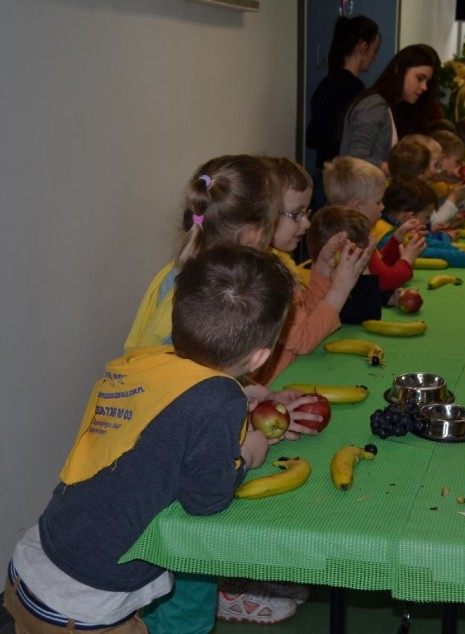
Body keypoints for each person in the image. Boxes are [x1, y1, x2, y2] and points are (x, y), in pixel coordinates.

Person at [4, 246, 293, 633]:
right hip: (87, 604)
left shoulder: (148, 361)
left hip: (32, 565)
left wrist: (240, 394)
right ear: (259, 358)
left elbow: (172, 421)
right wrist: (246, 454)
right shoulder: (218, 399)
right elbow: (205, 500)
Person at [123, 155, 322, 632]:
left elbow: (200, 367)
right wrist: (249, 441)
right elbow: (191, 387)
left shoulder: (191, 276)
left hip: (158, 426)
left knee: (182, 570)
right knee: (186, 583)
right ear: (255, 234)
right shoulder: (212, 292)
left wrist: (256, 392)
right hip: (166, 447)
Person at [248, 158, 372, 386]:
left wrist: (322, 273)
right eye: (296, 214)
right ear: (264, 213)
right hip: (275, 387)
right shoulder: (268, 273)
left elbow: (305, 317)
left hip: (291, 374)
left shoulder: (280, 260)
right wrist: (340, 289)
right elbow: (304, 340)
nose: (306, 223)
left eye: (307, 212)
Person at [323, 156, 425, 304]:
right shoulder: (354, 238)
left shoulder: (347, 230)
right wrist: (407, 260)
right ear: (357, 207)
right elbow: (384, 282)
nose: (383, 207)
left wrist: (396, 241)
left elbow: (379, 267)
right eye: (378, 201)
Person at [306, 15, 381, 207]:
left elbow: (313, 135)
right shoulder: (353, 89)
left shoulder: (326, 84)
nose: (375, 57)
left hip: (322, 174)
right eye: (374, 50)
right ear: (363, 47)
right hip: (338, 180)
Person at [339, 44, 440, 174]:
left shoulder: (400, 108)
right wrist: (404, 170)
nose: (424, 87)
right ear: (398, 70)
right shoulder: (373, 107)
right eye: (419, 78)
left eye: (427, 82)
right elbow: (355, 159)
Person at [376, 176, 465, 268]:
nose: (428, 222)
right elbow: (430, 252)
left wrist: (463, 252)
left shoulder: (395, 226)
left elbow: (427, 242)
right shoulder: (386, 236)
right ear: (410, 216)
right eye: (427, 217)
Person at [305, 205, 382, 324]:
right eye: (357, 254)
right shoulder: (328, 291)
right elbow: (370, 314)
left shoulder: (318, 275)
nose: (360, 258)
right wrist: (365, 266)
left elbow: (363, 292)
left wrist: (391, 297)